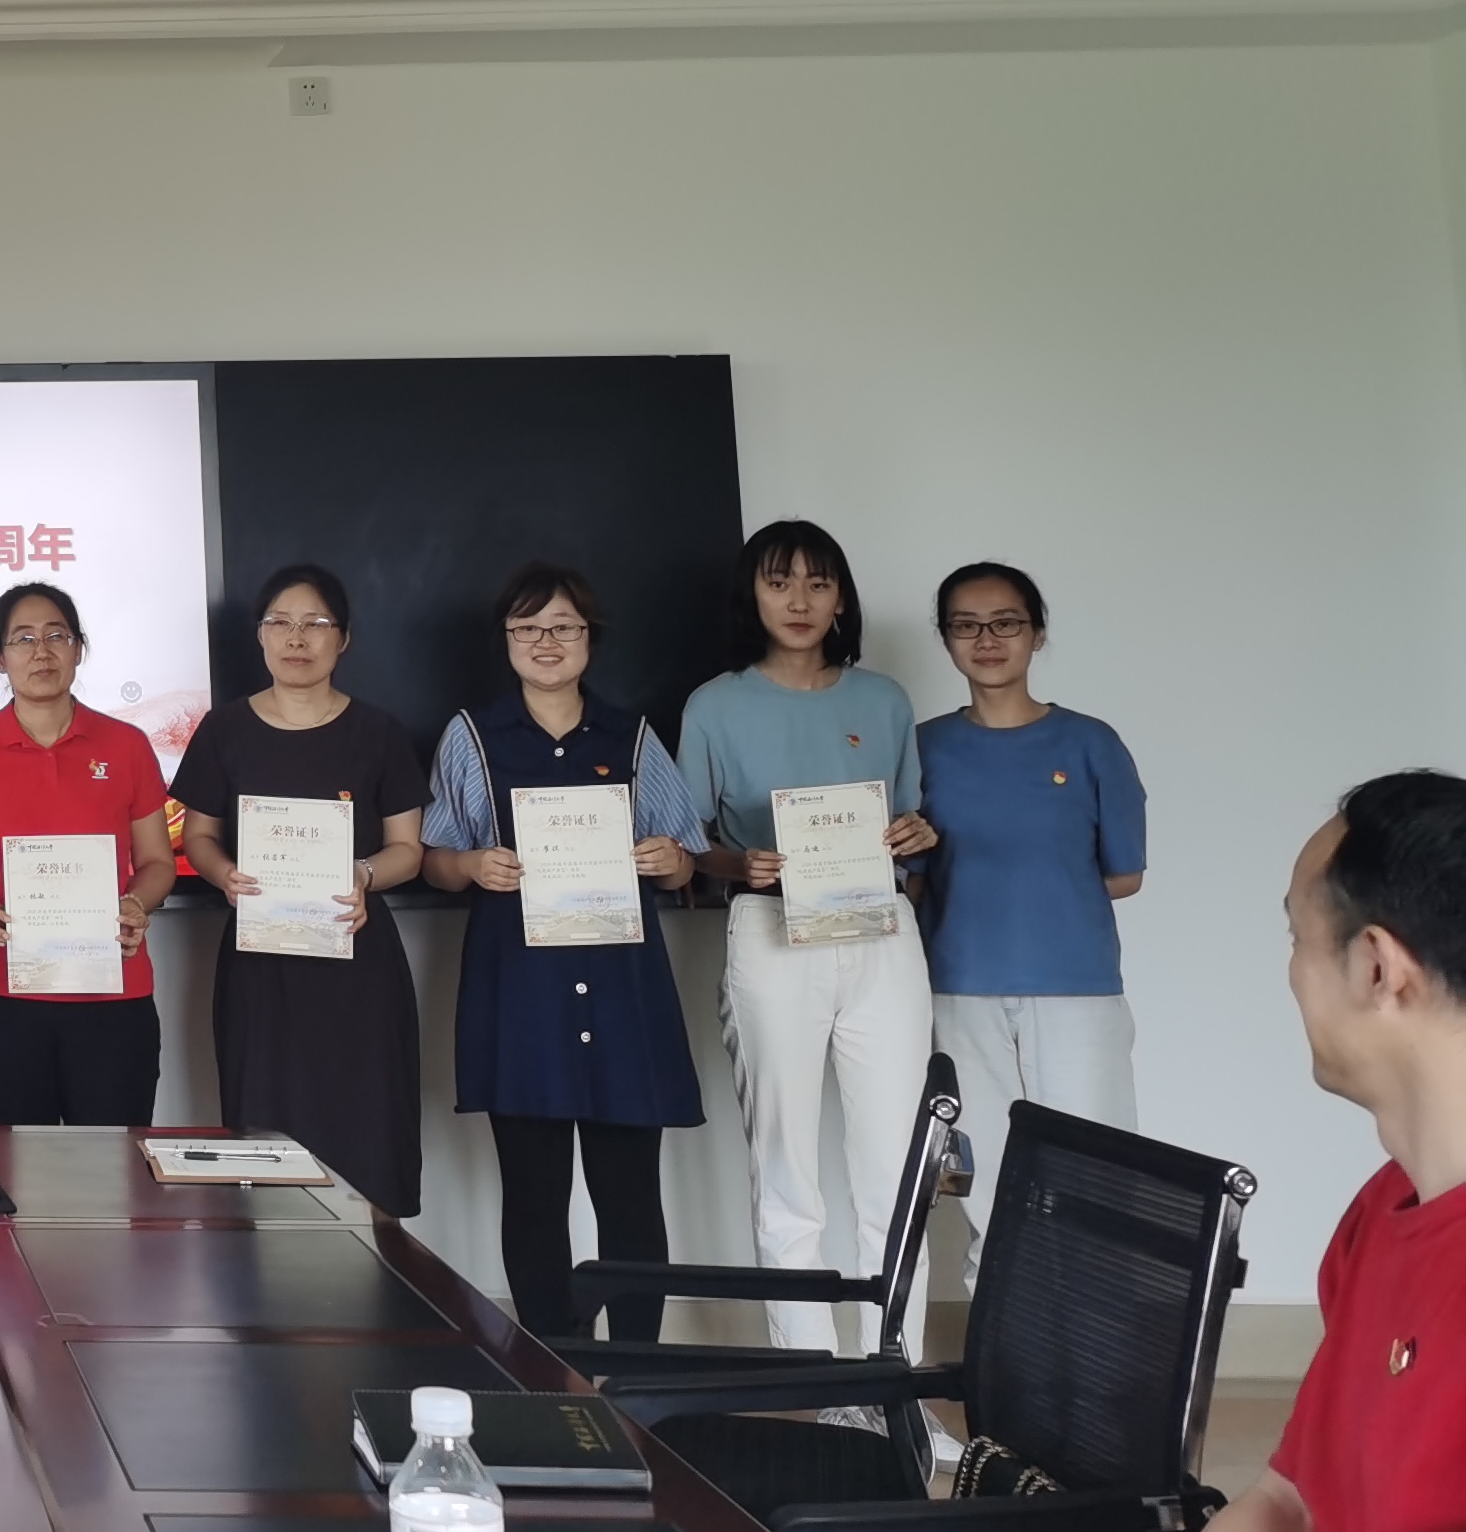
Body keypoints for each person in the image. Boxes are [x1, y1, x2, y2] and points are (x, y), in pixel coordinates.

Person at [1145, 772, 1466, 1532]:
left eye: (1298, 937)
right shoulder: (1384, 1210)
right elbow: (1290, 1505)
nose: (1290, 972)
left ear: (1376, 967)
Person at [421, 562, 706, 1343]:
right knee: (534, 1192)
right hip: (521, 987)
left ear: (590, 638)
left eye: (564, 627)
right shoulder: (471, 736)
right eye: (528, 628)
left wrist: (669, 860)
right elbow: (435, 860)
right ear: (505, 639)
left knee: (631, 1193)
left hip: (622, 986)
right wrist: (471, 866)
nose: (546, 642)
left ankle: (638, 1372)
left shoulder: (633, 736)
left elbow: (685, 860)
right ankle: (553, 1364)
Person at [676, 520, 941, 1358]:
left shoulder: (884, 699)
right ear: (751, 595)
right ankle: (816, 1377)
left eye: (819, 583)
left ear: (842, 601)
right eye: (779, 581)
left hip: (880, 931)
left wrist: (917, 834)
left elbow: (909, 817)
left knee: (897, 1167)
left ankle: (894, 1378)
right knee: (786, 1163)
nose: (799, 600)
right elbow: (687, 844)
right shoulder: (714, 705)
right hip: (771, 929)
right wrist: (737, 862)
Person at [915, 561, 1148, 1287]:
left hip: (1076, 991)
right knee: (983, 1178)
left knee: (1091, 1170)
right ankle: (1003, 1342)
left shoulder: (1090, 743)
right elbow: (910, 876)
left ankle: (1092, 1341)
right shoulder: (921, 748)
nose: (987, 639)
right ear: (946, 639)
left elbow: (1125, 874)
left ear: (1037, 633)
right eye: (966, 625)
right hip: (958, 988)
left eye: (1006, 623)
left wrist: (1038, 895)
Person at [170, 562, 429, 1212]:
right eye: (280, 622)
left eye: (315, 623)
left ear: (343, 638)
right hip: (261, 968)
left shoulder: (379, 733)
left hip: (356, 963)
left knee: (365, 1131)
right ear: (259, 635)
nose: (296, 637)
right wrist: (221, 873)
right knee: (266, 1134)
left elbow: (409, 850)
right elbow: (198, 836)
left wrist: (364, 874)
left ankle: (374, 1272)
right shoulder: (225, 730)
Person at [0, 580, 175, 1126]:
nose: (42, 652)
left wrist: (136, 904)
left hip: (111, 994)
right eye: (24, 639)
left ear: (78, 648)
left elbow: (158, 862)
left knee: (112, 1163)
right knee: (12, 1163)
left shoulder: (126, 745)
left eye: (57, 636)